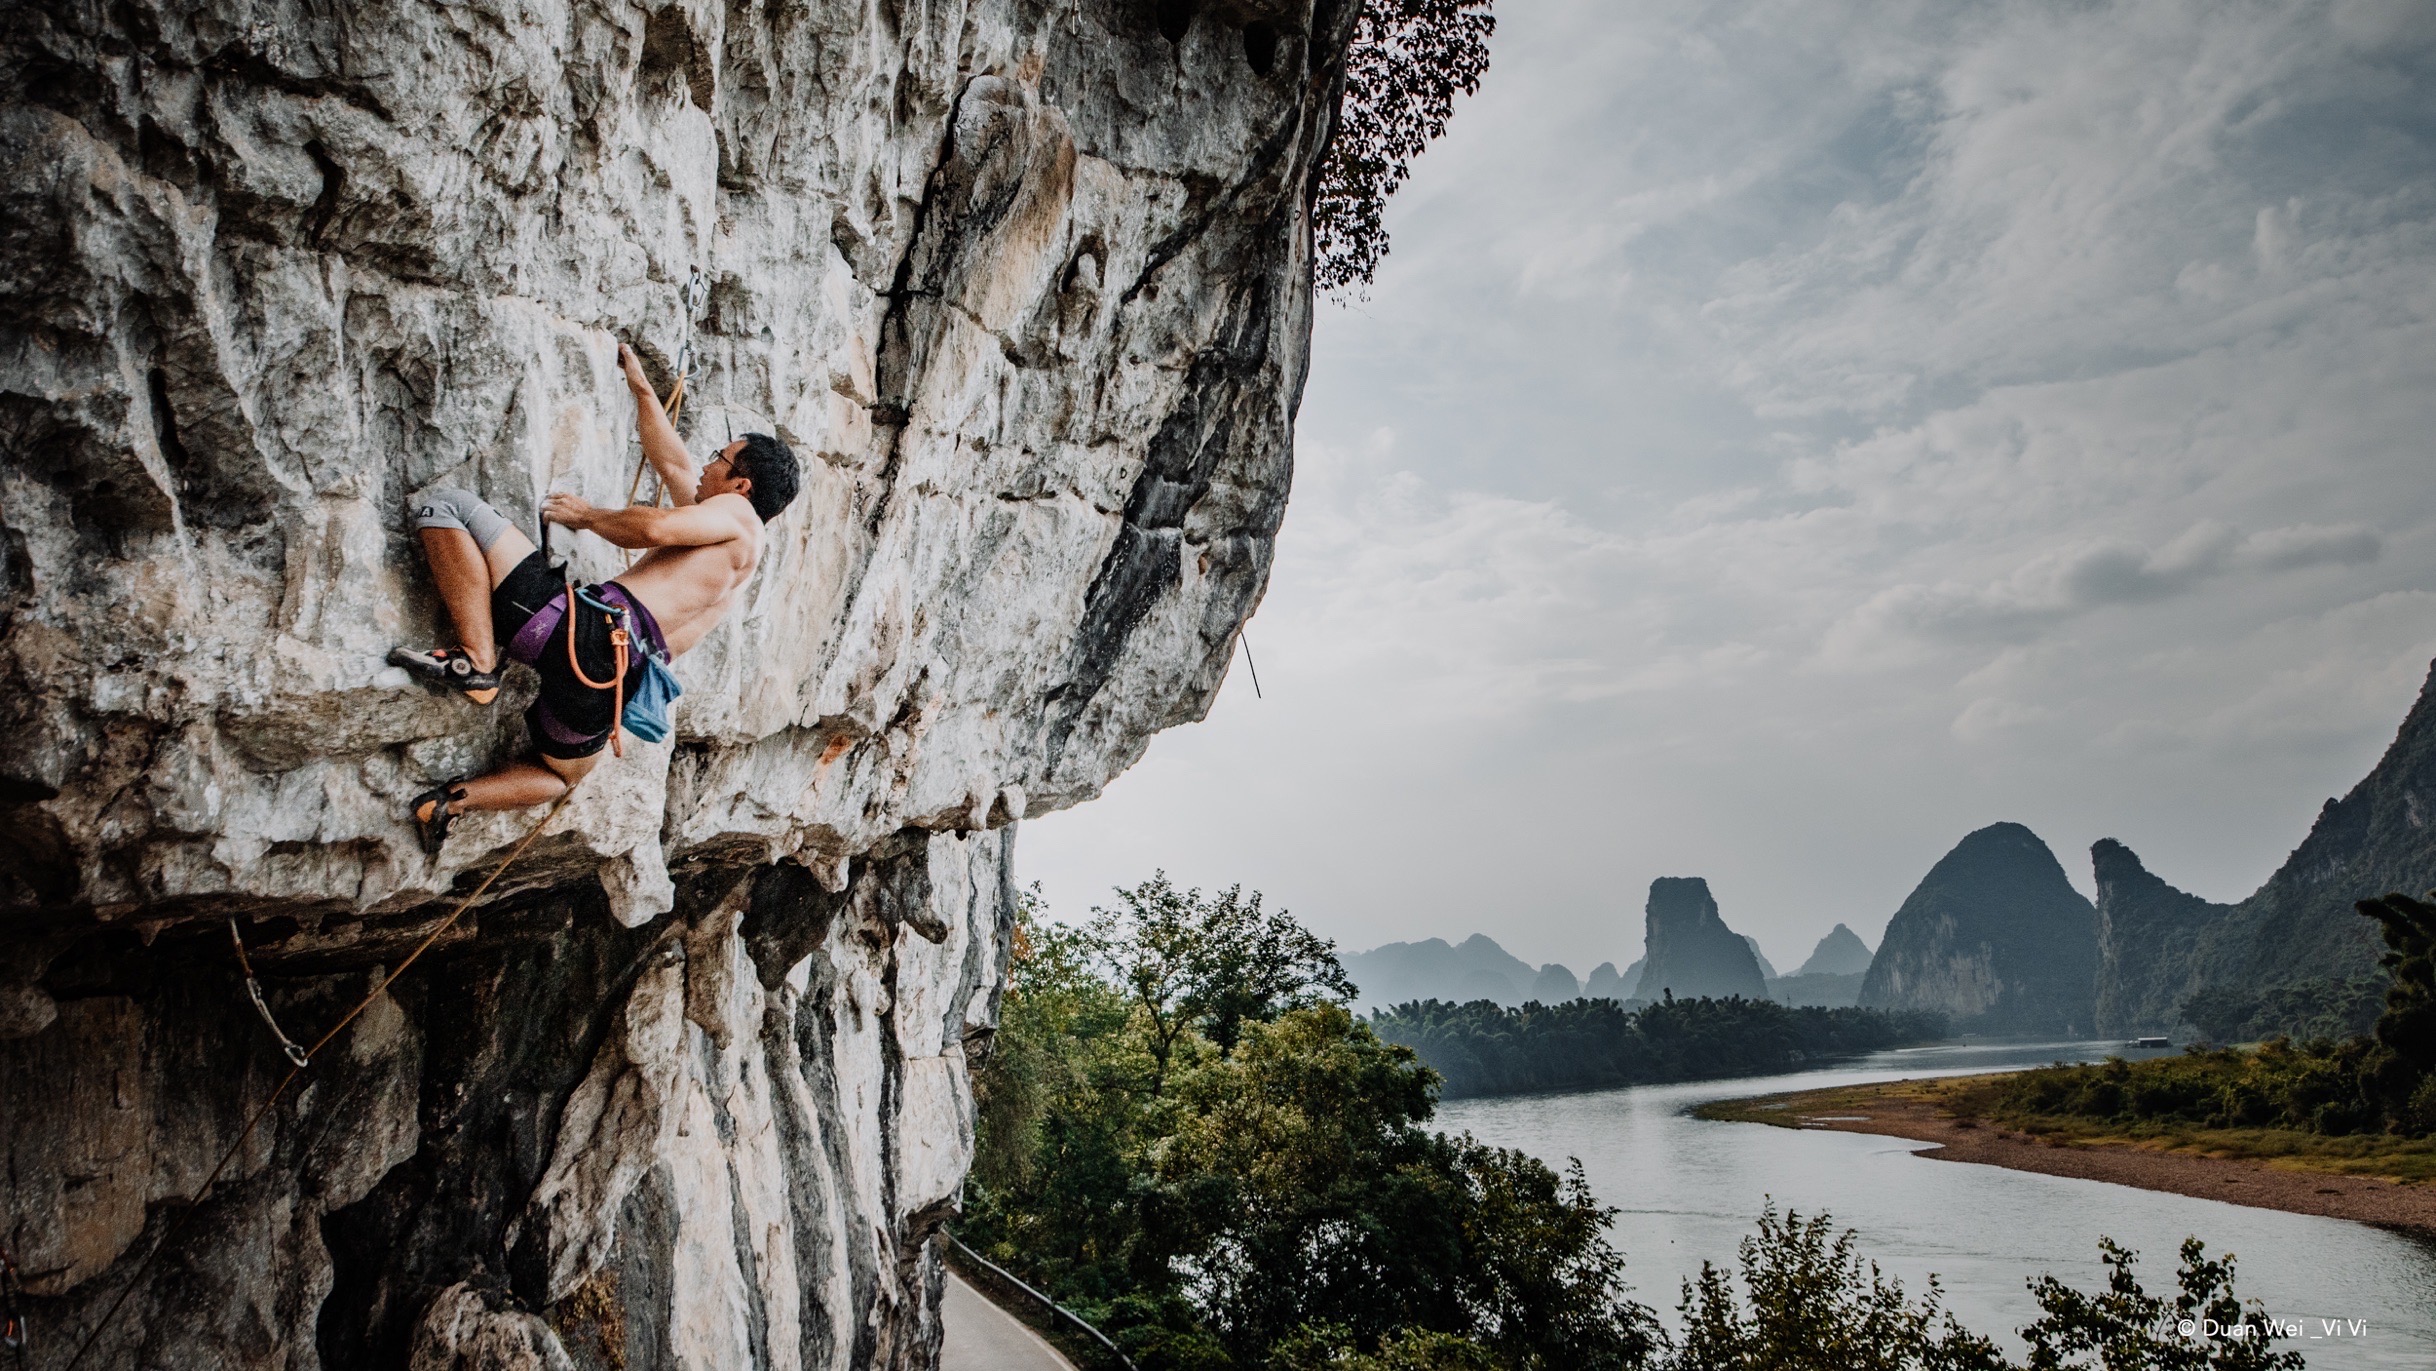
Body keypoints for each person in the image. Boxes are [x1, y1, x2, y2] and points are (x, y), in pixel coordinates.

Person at [390, 341, 800, 853]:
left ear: (741, 485)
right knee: (561, 776)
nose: (707, 464)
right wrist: (642, 389)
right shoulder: (732, 543)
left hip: (580, 634)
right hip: (611, 685)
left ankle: (475, 661)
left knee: (445, 508)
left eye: (720, 458)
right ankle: (448, 802)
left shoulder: (738, 519)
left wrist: (586, 516)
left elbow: (652, 527)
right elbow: (673, 463)